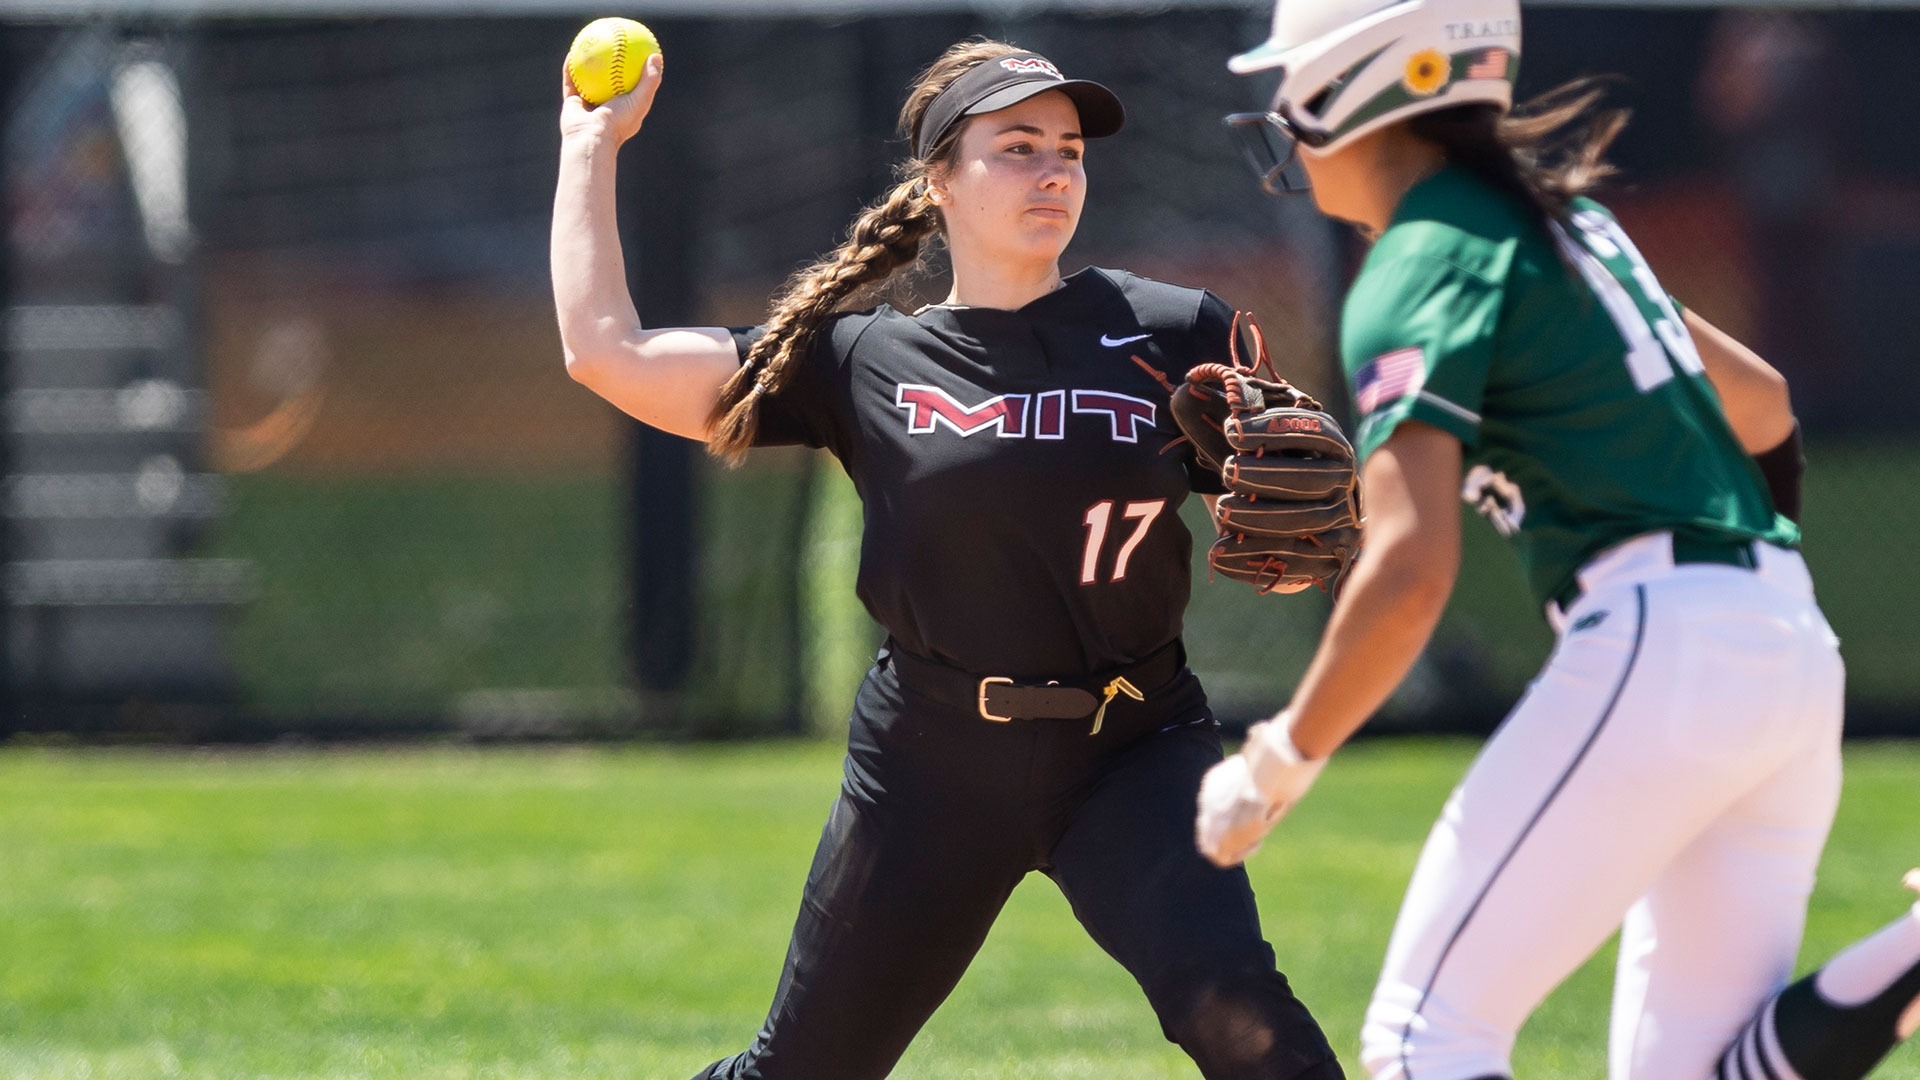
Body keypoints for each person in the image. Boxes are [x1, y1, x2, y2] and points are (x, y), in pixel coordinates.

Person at [550, 37, 1345, 1080]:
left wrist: (1320, 527)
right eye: (1017, 147)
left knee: (1246, 1023)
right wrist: (590, 144)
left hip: (1133, 752)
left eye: (1068, 148)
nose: (1055, 169)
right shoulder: (860, 359)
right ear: (940, 180)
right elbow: (605, 352)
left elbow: (1298, 529)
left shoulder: (1171, 331)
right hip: (928, 765)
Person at [1193, 0, 1920, 1078]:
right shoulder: (1571, 223)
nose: (1288, 132)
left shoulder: (1422, 253)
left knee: (1421, 1040)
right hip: (1783, 644)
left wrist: (1282, 756)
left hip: (1657, 637)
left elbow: (1408, 566)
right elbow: (1762, 406)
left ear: (1359, 86)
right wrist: (1743, 603)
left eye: (1296, 95)